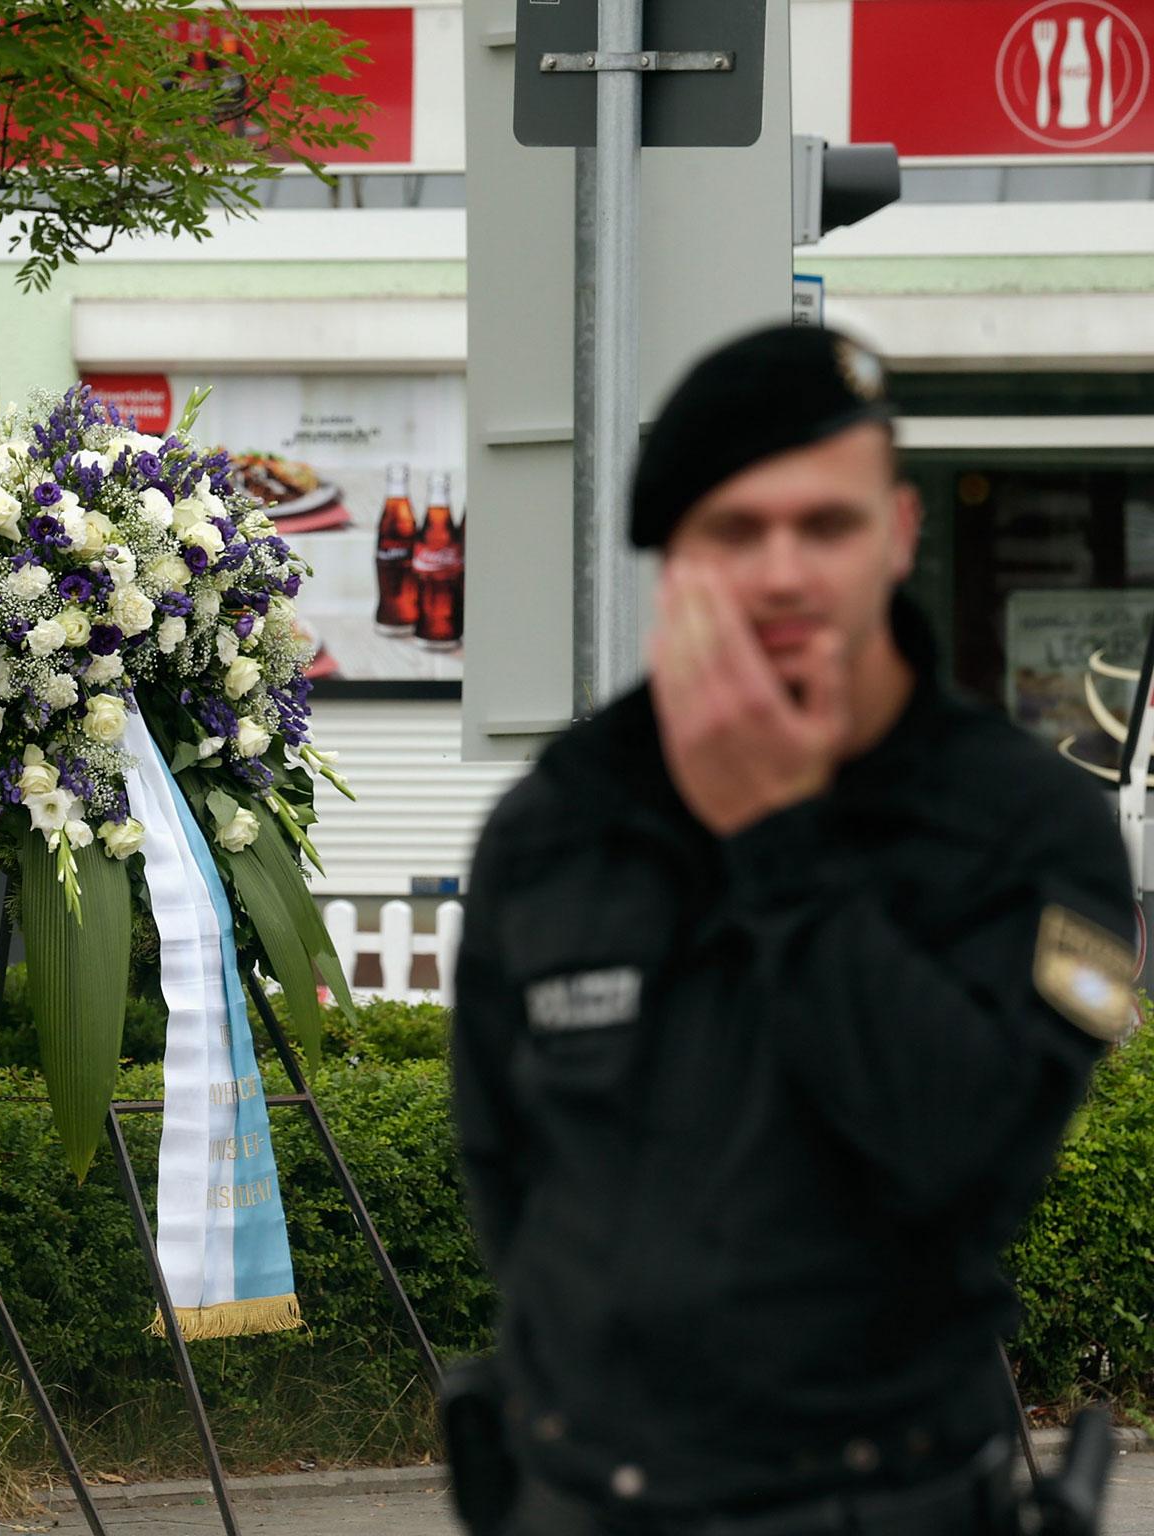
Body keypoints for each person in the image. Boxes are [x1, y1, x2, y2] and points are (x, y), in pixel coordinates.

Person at [449, 324, 1139, 1536]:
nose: (780, 572)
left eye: (823, 525)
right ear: (672, 560)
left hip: (883, 1502)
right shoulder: (557, 825)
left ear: (896, 535)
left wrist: (776, 839)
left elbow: (962, 1157)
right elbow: (508, 1172)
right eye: (732, 530)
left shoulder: (1028, 831)